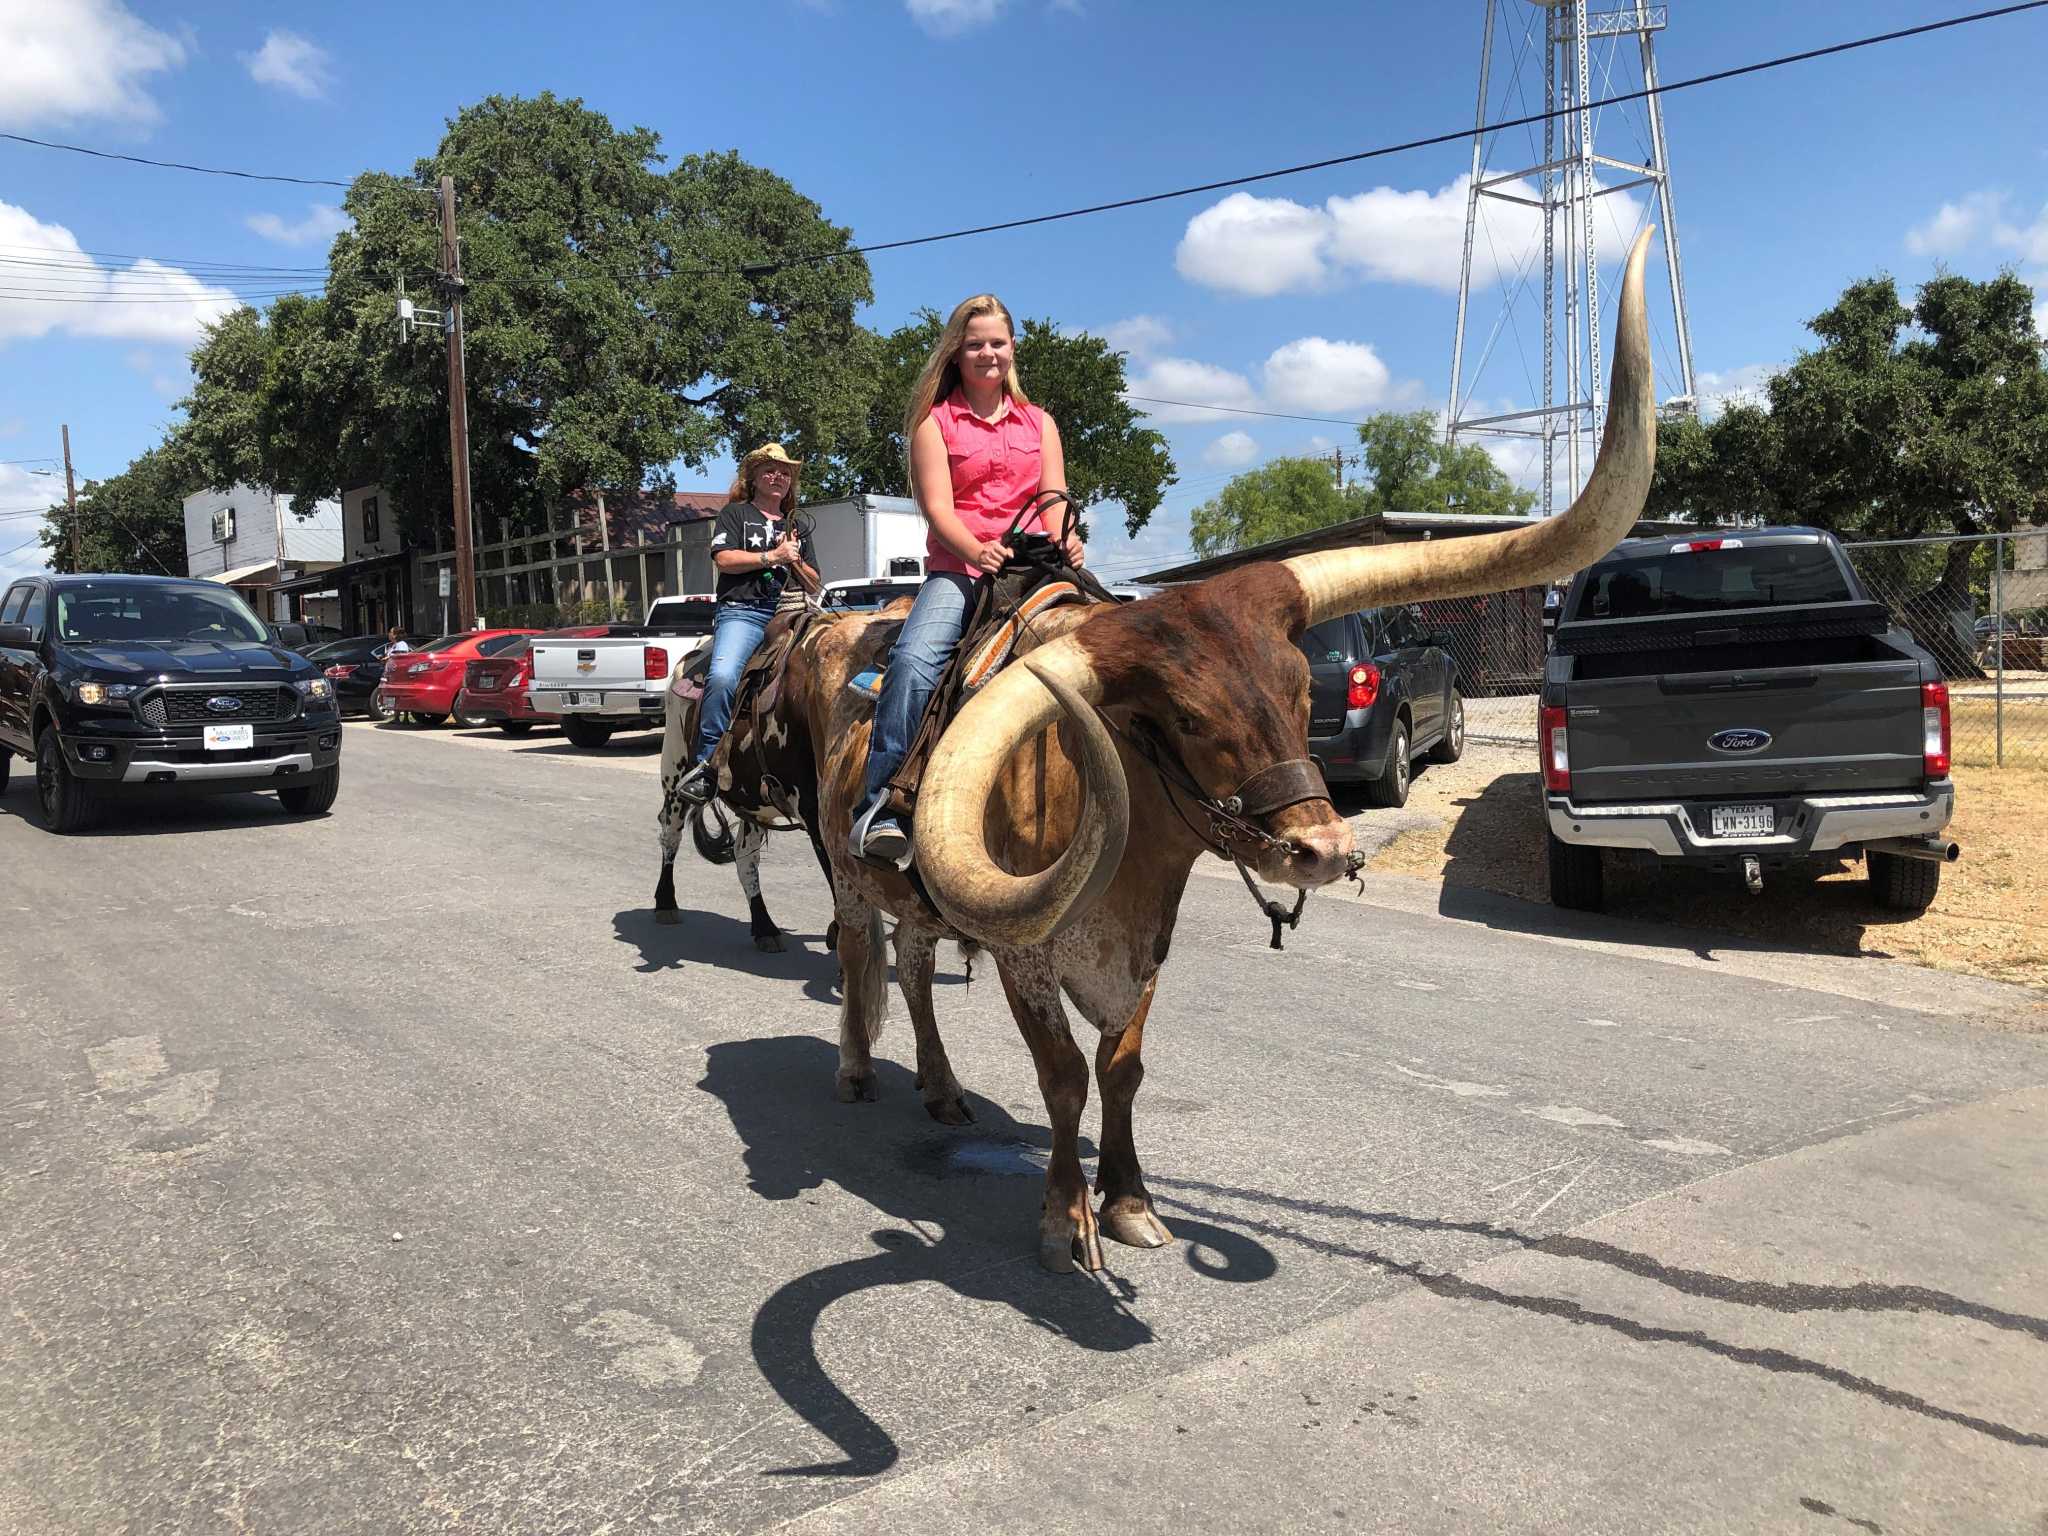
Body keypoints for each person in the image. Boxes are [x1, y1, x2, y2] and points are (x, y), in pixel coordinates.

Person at [847, 293, 1084, 868]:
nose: (987, 353)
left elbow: (1052, 497)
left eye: (997, 343)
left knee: (1113, 640)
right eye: (975, 344)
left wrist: (1068, 537)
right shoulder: (935, 424)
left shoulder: (1040, 422)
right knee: (913, 663)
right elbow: (938, 510)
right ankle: (883, 805)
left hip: (1036, 566)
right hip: (964, 570)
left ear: (1012, 348)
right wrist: (977, 550)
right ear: (956, 353)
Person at [676, 443, 820, 803]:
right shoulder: (736, 514)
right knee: (724, 676)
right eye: (770, 470)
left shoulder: (798, 525)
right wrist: (773, 555)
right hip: (744, 611)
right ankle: (706, 765)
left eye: (785, 472)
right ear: (753, 478)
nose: (778, 477)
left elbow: (815, 583)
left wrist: (794, 559)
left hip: (793, 611)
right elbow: (724, 559)